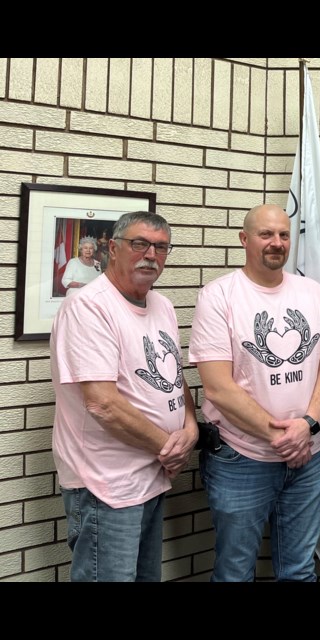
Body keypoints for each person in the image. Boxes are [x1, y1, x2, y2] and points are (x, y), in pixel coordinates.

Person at [189, 203, 320, 582]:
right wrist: (283, 438)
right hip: (242, 458)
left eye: (284, 235)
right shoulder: (219, 295)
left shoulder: (312, 292)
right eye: (266, 234)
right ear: (244, 239)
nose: (276, 243)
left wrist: (307, 425)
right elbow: (218, 388)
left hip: (307, 457)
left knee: (299, 570)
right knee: (235, 571)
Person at [50, 211, 198, 581]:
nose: (151, 254)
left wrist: (191, 430)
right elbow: (102, 403)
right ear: (112, 249)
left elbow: (173, 380)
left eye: (161, 247)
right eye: (139, 244)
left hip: (151, 475)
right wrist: (169, 447)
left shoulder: (161, 304)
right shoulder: (89, 306)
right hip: (106, 485)